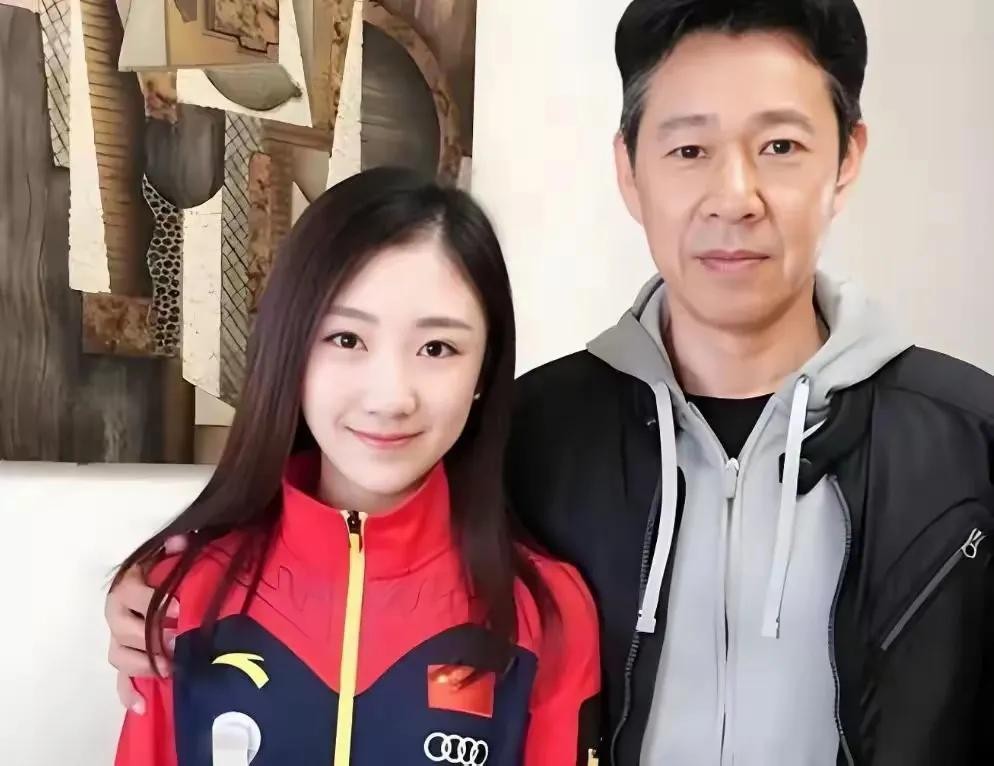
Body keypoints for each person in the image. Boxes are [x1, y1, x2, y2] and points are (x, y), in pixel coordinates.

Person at [106, 1, 994, 764]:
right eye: (689, 148)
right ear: (629, 170)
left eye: (781, 145)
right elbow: (361, 547)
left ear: (846, 160)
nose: (735, 195)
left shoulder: (971, 445)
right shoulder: (529, 435)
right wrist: (164, 588)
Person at [109, 166, 601, 765]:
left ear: (484, 372)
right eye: (347, 339)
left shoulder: (546, 611)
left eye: (437, 348)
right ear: (292, 349)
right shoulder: (178, 598)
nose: (390, 397)